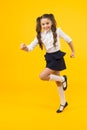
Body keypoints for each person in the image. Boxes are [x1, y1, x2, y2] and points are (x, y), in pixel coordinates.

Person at [20, 13, 75, 113]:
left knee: (42, 76)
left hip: (57, 57)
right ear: (40, 25)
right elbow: (30, 47)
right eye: (43, 24)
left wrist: (73, 51)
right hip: (49, 57)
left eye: (47, 23)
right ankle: (63, 102)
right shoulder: (40, 36)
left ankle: (63, 79)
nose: (45, 26)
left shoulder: (58, 31)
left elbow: (69, 39)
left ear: (52, 23)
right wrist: (24, 48)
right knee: (58, 82)